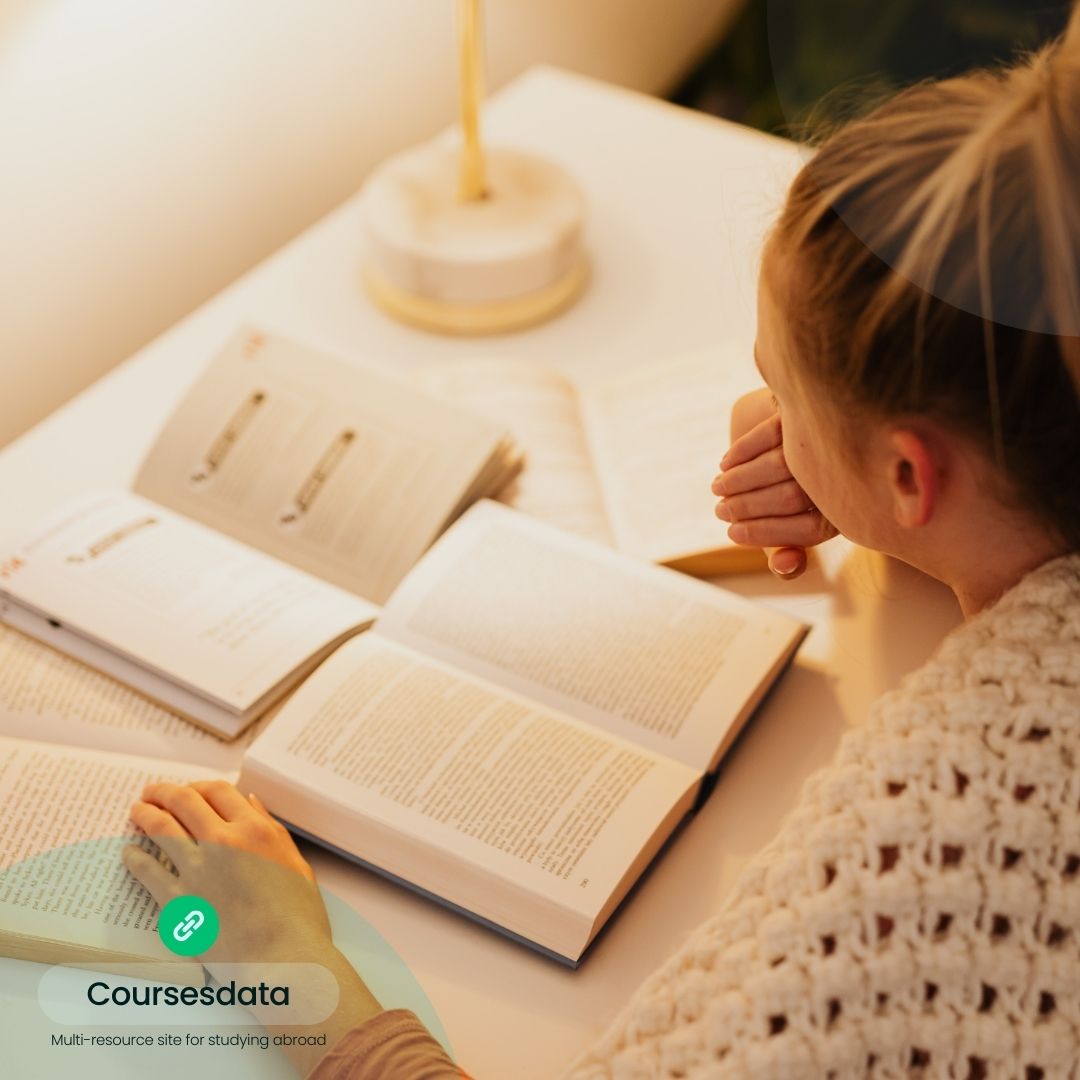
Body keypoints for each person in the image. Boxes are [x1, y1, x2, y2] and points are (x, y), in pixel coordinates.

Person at [124, 6, 1080, 1077]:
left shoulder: (959, 828)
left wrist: (281, 961)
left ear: (913, 471)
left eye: (779, 387)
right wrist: (850, 469)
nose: (763, 410)